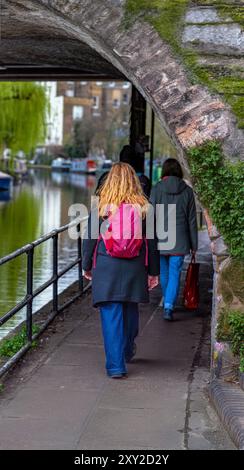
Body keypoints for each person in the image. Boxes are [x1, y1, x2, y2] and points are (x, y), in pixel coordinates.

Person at [83, 163, 160, 378]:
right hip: (135, 267)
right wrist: (154, 272)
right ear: (134, 181)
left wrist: (86, 266)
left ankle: (116, 366)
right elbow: (152, 242)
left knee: (111, 314)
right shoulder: (144, 207)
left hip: (106, 266)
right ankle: (127, 349)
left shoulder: (100, 205)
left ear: (109, 181)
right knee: (130, 309)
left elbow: (89, 238)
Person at [150, 158, 198, 322]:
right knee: (175, 273)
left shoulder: (156, 189)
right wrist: (194, 244)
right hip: (180, 239)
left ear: (164, 171)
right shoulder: (187, 191)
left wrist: (149, 240)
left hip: (160, 238)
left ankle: (167, 301)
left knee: (163, 273)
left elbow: (151, 216)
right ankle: (169, 305)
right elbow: (192, 220)